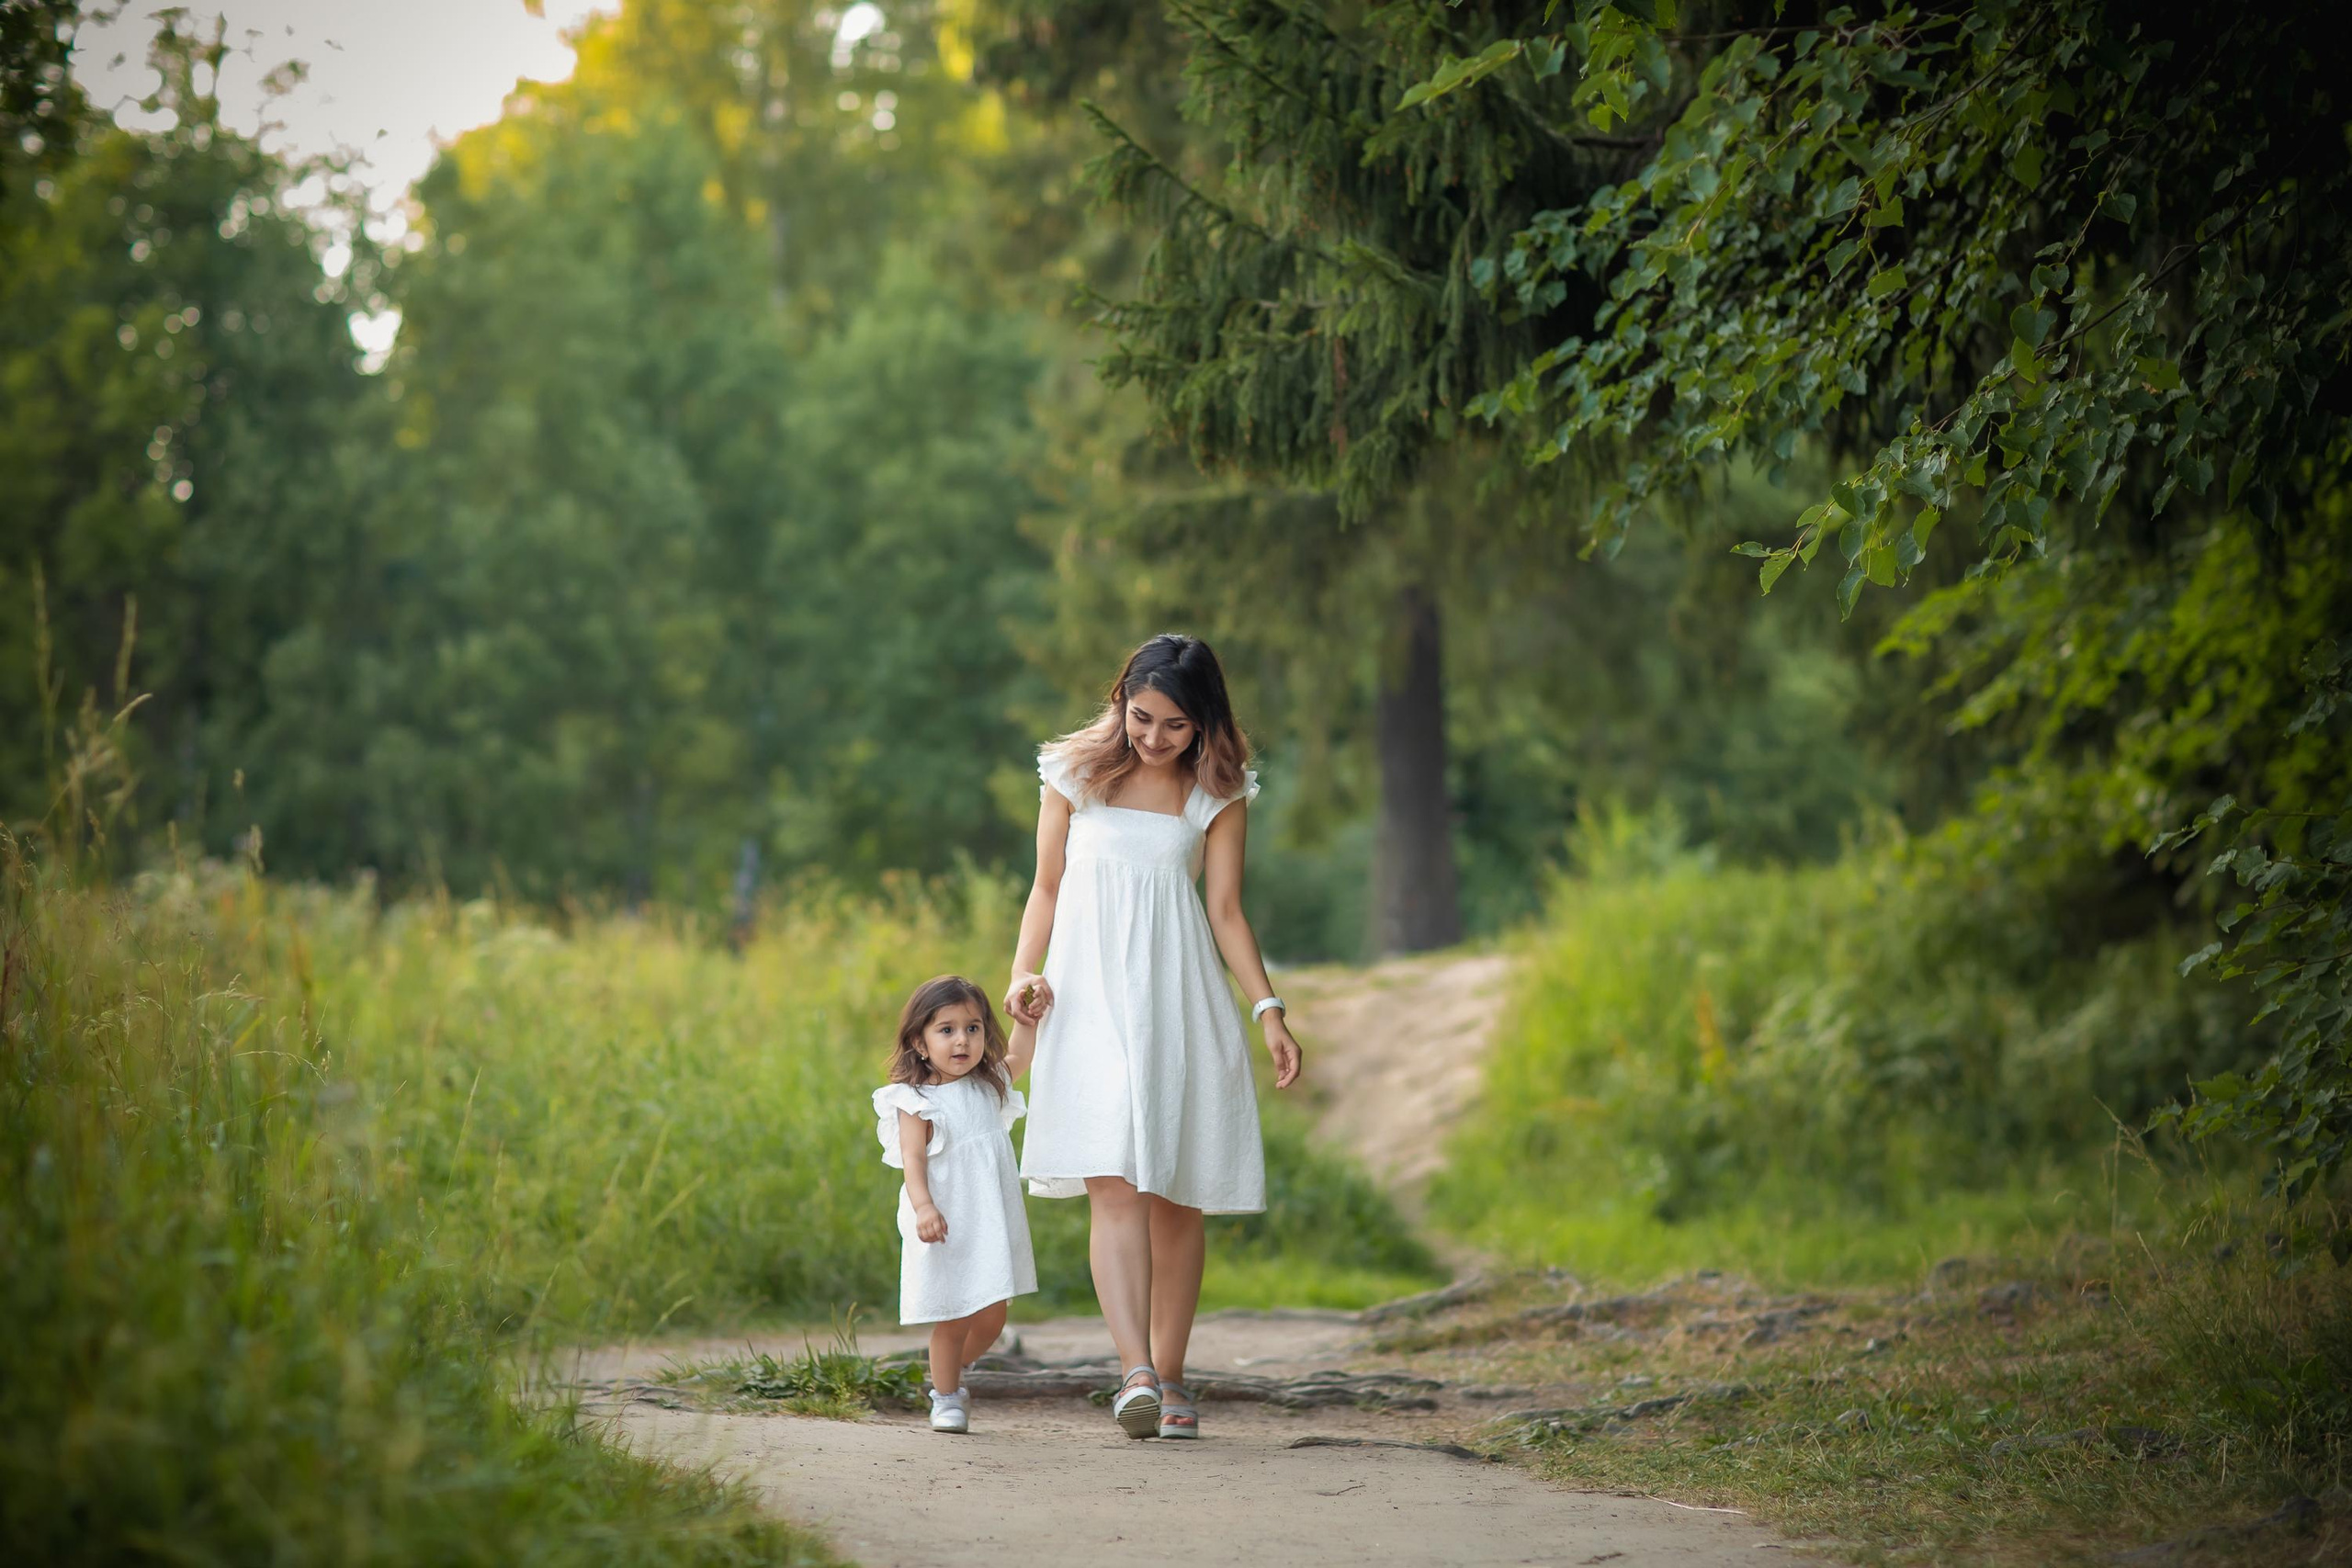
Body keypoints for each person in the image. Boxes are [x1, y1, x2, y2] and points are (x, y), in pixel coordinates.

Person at [1006, 633, 1305, 1439]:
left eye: (1176, 725)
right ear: (1120, 700)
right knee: (1113, 1181)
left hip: (1178, 1000)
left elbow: (1227, 912)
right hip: (1087, 998)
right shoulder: (1072, 773)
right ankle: (1133, 1370)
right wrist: (1020, 976)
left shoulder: (1218, 791)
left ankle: (1171, 1376)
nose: (1155, 737)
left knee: (1175, 1198)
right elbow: (1045, 887)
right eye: (1142, 717)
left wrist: (1267, 1010)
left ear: (1205, 722)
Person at [873, 975, 1037, 1434]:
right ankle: (945, 1394)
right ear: (920, 1042)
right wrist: (924, 1207)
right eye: (946, 1030)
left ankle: (947, 1370)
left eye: (973, 1028)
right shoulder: (915, 1100)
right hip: (943, 1218)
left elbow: (1021, 1056)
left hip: (987, 1217)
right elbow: (912, 1159)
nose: (962, 1040)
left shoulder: (990, 1085)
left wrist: (1026, 1019)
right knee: (954, 1312)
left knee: (993, 1314)